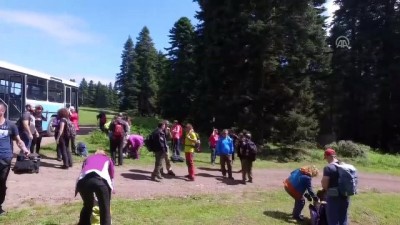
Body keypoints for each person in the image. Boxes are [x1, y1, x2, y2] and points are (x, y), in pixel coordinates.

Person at [0, 102, 30, 215]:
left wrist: (25, 149)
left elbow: (18, 140)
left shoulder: (11, 125)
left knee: (1, 183)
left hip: (5, 159)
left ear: (2, 111)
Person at [75, 149, 115, 225]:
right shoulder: (107, 159)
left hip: (83, 182)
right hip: (100, 181)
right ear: (105, 154)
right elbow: (111, 174)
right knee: (105, 209)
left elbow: (83, 170)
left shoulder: (88, 158)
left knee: (87, 206)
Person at [321, 148, 350, 225]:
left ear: (328, 156)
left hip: (333, 195)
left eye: (326, 158)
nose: (326, 160)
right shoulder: (344, 166)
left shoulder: (328, 168)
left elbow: (324, 185)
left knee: (332, 219)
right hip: (345, 194)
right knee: (343, 218)